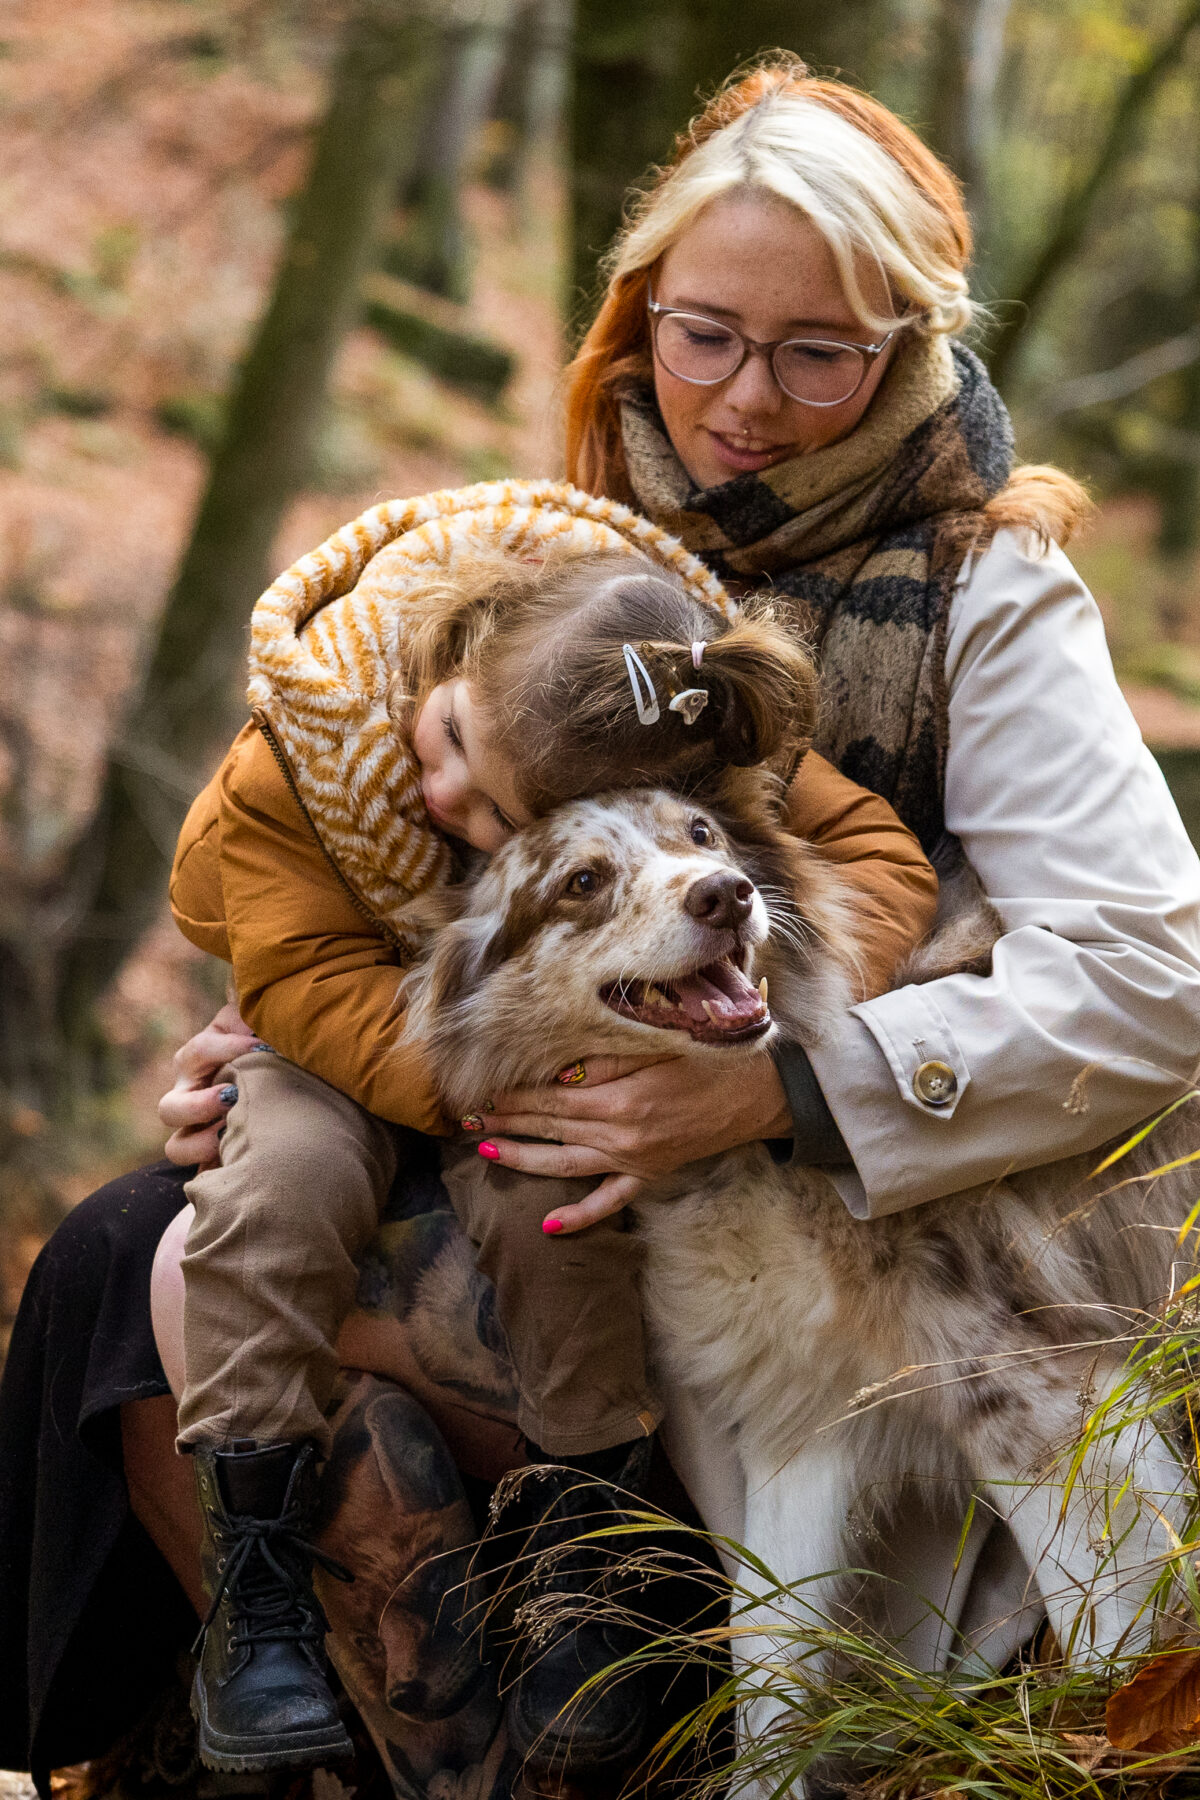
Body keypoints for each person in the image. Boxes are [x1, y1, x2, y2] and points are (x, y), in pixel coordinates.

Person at [4, 48, 1199, 1796]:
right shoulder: (563, 548)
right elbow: (387, 872)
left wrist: (791, 1084)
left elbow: (1157, 978)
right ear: (640, 306)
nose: (747, 399)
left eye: (820, 352)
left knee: (210, 1289)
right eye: (703, 331)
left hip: (839, 1207)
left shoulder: (986, 591)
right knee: (130, 1249)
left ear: (909, 353)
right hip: (538, 1106)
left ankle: (537, 1710)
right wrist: (269, 1045)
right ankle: (339, 1727)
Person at [161, 482, 937, 1778]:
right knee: (280, 1180)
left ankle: (596, 1543)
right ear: (464, 654)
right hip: (355, 1030)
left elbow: (877, 856)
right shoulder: (314, 739)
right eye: (453, 738)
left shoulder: (665, 713)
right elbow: (297, 980)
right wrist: (490, 1079)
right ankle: (256, 1576)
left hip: (547, 1028)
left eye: (495, 817)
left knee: (554, 1195)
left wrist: (780, 1004)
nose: (441, 791)